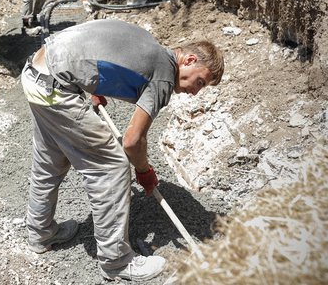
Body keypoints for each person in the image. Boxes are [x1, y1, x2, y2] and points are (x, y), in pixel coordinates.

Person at [21, 19, 224, 281]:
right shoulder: (164, 75)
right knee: (112, 166)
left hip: (37, 73)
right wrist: (144, 170)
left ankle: (41, 233)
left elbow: (98, 46)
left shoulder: (150, 46)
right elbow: (132, 141)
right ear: (189, 60)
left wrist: (91, 84)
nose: (195, 92)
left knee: (50, 160)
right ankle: (116, 262)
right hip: (56, 88)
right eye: (199, 82)